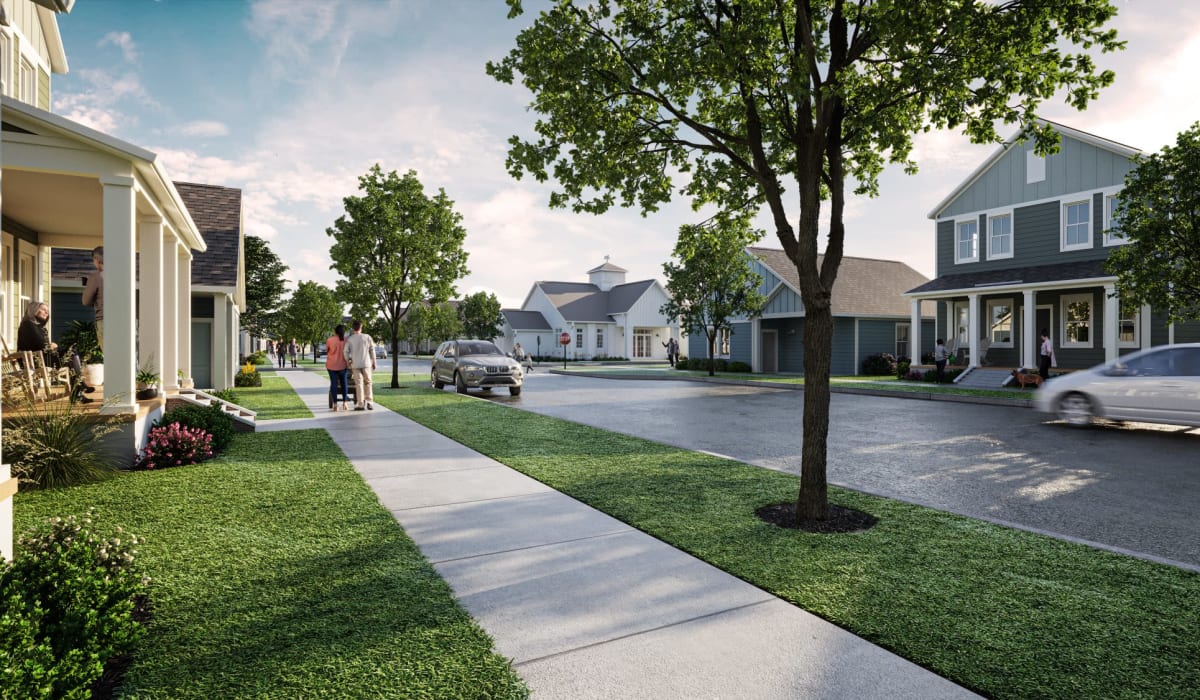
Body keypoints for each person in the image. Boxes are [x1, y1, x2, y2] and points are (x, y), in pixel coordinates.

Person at [344, 319, 376, 411]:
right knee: (368, 382)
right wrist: (374, 361)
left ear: (353, 328)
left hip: (355, 364)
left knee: (359, 384)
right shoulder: (367, 337)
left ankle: (361, 404)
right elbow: (372, 350)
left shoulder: (350, 339)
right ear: (361, 327)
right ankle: (369, 402)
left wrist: (348, 360)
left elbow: (345, 351)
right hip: (366, 364)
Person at [17, 300, 60, 367]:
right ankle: (77, 376)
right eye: (43, 309)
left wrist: (51, 346)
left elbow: (44, 346)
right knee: (70, 354)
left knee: (70, 353)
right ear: (34, 310)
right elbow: (42, 345)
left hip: (42, 358)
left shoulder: (41, 328)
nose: (46, 312)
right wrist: (51, 346)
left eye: (48, 311)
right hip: (33, 361)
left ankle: (76, 376)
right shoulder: (28, 324)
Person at [81, 246, 104, 352]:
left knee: (109, 354)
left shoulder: (96, 277)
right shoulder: (122, 275)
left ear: (96, 259)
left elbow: (86, 301)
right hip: (124, 320)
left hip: (104, 319)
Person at [325, 324, 350, 411]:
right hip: (343, 365)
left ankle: (335, 404)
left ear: (335, 331)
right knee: (344, 384)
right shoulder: (346, 340)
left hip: (331, 365)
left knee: (334, 384)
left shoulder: (330, 340)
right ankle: (345, 403)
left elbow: (327, 351)